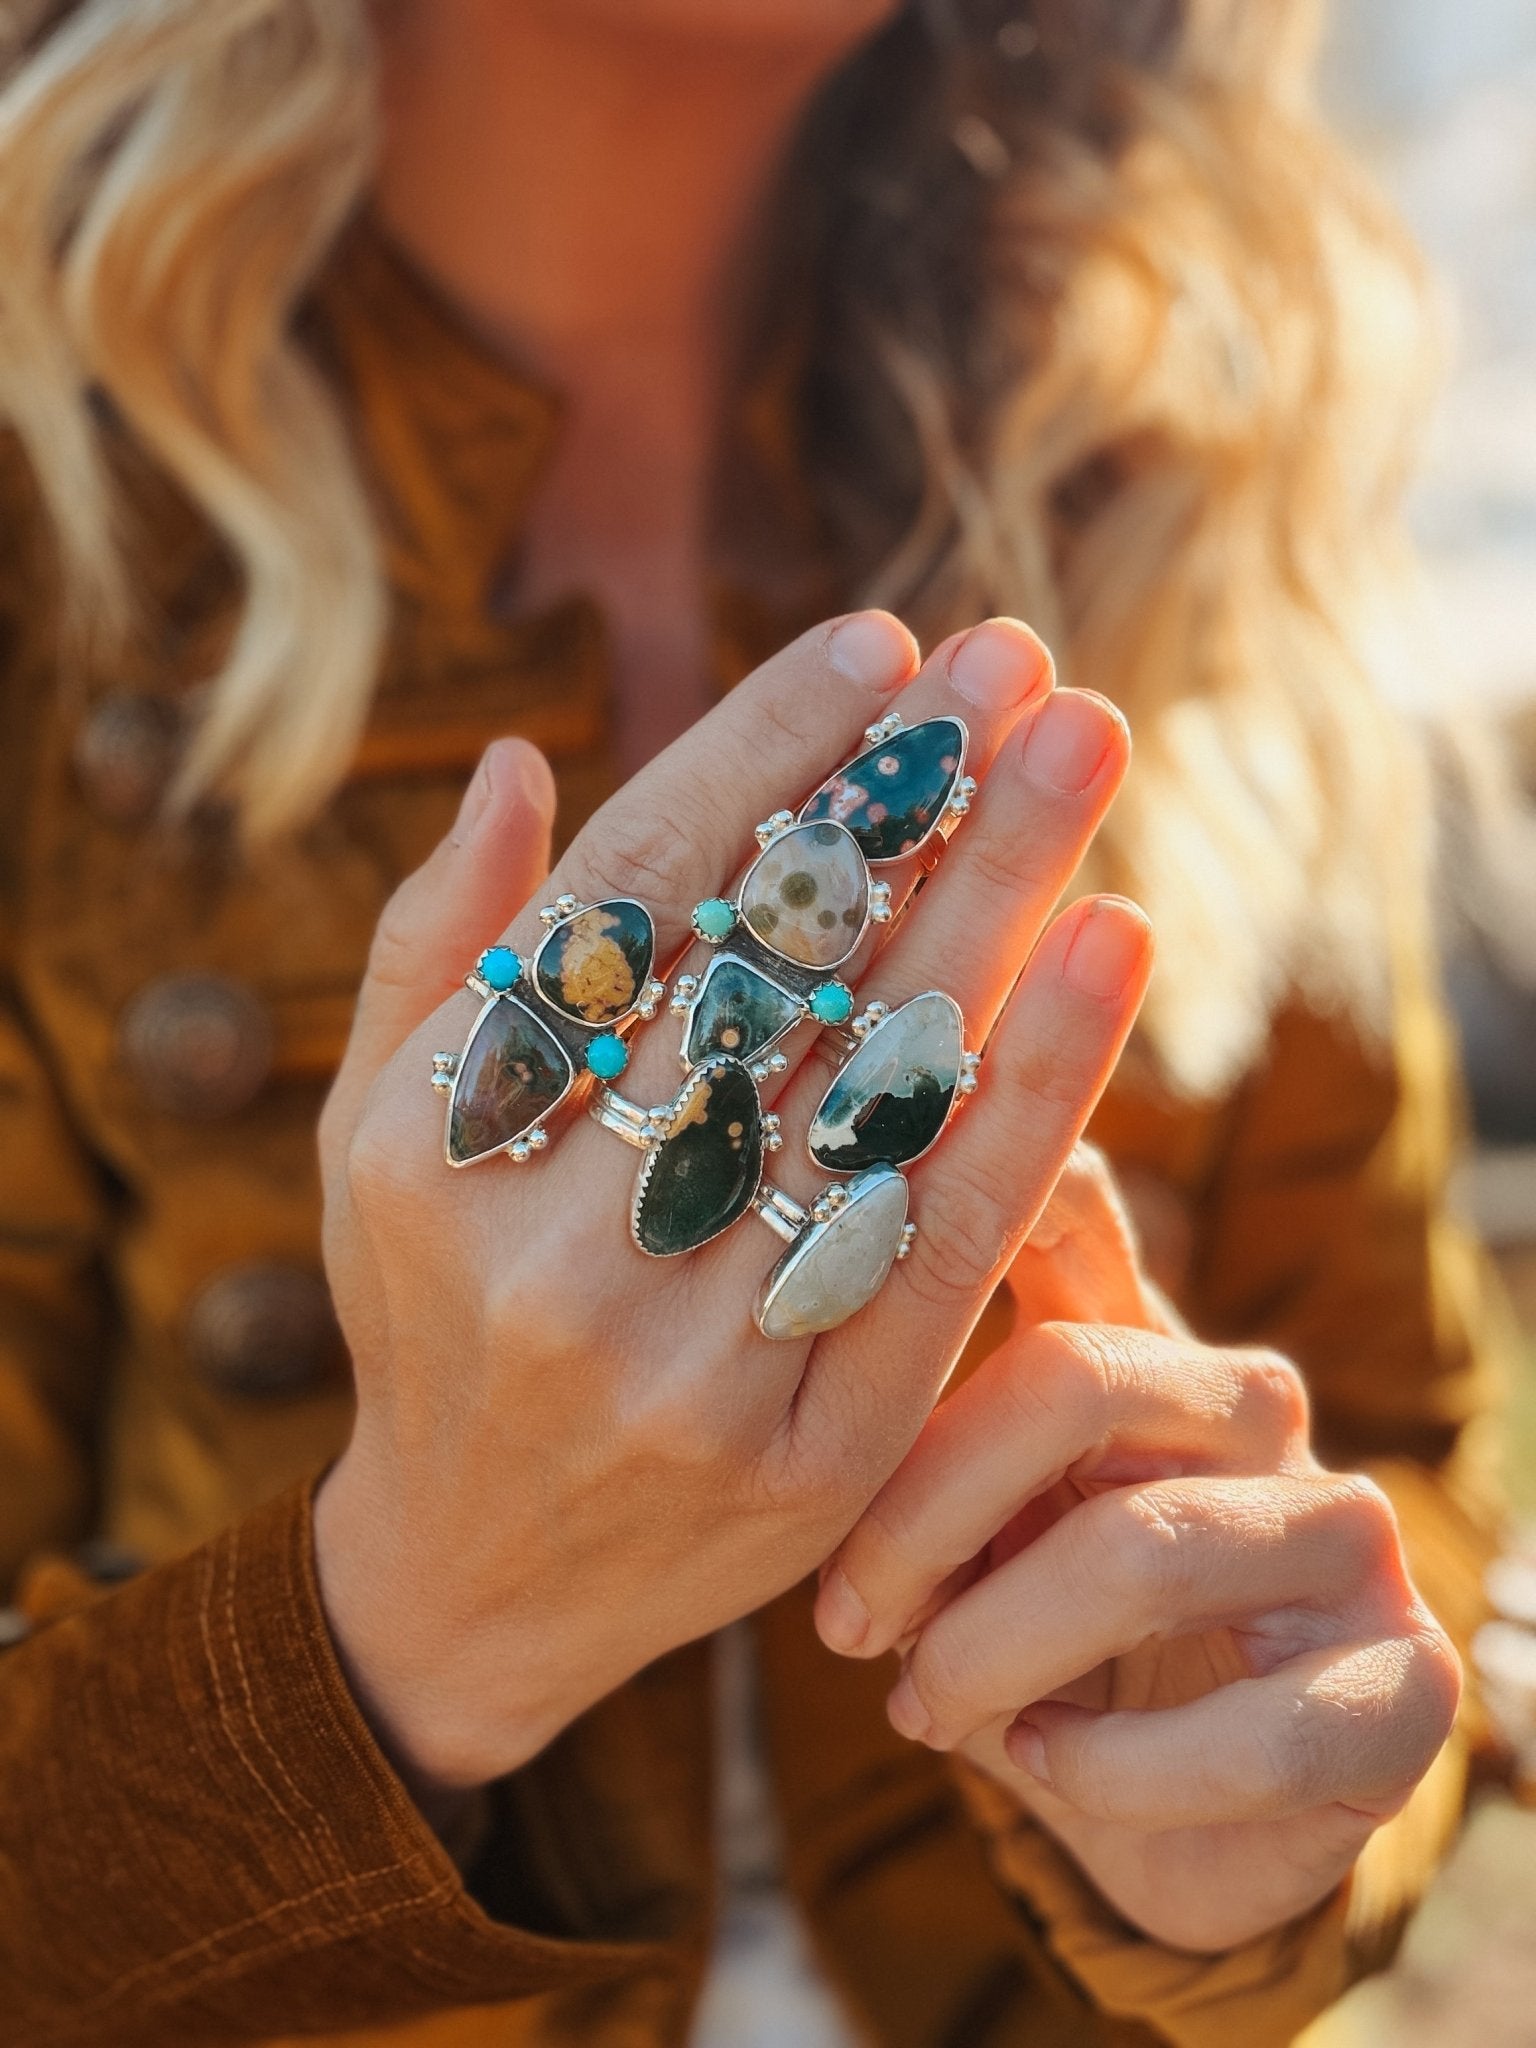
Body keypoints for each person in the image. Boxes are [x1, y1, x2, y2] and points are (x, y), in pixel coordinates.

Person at [0, 3, 1510, 2044]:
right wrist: (393, 1642)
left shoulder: (1177, 482)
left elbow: (1401, 1460)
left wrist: (1257, 1804)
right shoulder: (45, 515)